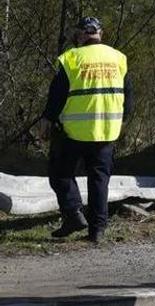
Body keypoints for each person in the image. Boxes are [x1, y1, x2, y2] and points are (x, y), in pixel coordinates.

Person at [41, 16, 132, 243]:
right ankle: (97, 231)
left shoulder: (72, 58)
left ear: (81, 35)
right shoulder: (118, 58)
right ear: (100, 34)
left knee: (60, 173)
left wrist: (47, 120)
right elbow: (129, 98)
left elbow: (57, 96)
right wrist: (123, 121)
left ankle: (73, 214)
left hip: (74, 131)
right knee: (99, 180)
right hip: (106, 132)